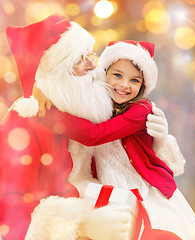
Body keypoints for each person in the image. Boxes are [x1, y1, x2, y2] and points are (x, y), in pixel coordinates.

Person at [1, 14, 184, 240]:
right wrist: (82, 226)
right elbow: (11, 210)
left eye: (90, 55)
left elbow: (114, 148)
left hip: (127, 204)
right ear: (58, 69)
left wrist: (161, 143)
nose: (92, 66)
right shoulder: (26, 123)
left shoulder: (89, 106)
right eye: (80, 59)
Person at [36, 40, 195, 240]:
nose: (124, 85)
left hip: (143, 190)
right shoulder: (99, 104)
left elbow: (95, 135)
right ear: (104, 73)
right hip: (109, 188)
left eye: (135, 80)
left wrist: (51, 114)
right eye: (117, 75)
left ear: (143, 86)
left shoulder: (140, 110)